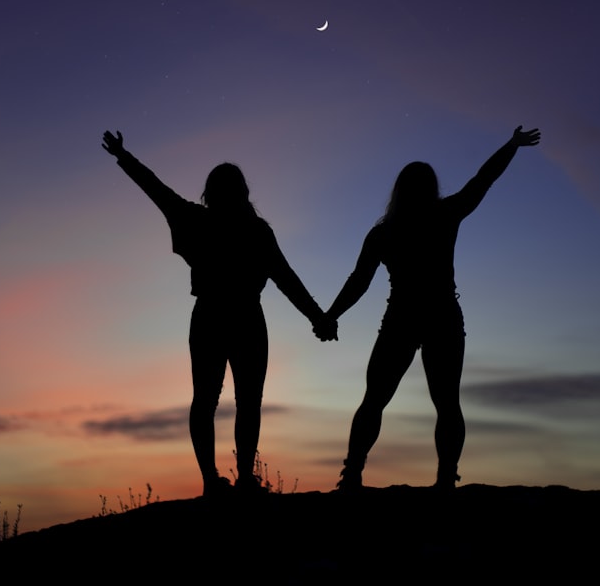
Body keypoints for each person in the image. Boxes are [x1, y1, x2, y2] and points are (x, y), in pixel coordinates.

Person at [101, 130, 337, 496]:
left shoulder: (203, 220)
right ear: (243, 192)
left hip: (213, 316)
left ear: (210, 192)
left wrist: (123, 156)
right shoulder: (253, 230)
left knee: (209, 399)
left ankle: (215, 480)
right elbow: (286, 279)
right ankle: (239, 478)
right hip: (242, 318)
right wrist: (317, 317)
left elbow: (155, 188)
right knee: (244, 401)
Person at [324, 125, 541, 491]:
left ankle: (355, 473)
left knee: (377, 399)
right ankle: (444, 478)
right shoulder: (442, 215)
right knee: (442, 402)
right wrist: (512, 145)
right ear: (430, 188)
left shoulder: (385, 231)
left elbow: (358, 281)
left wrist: (331, 315)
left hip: (407, 318)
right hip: (436, 317)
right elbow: (482, 180)